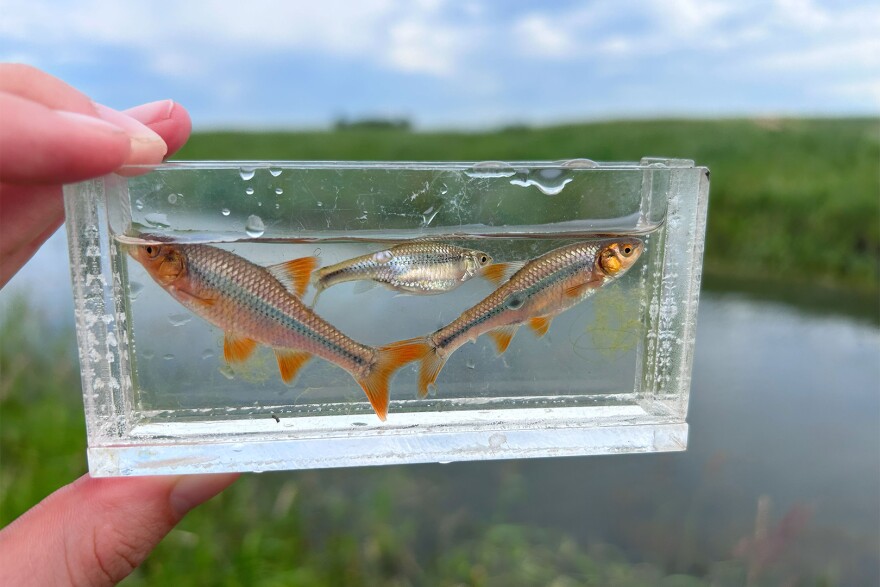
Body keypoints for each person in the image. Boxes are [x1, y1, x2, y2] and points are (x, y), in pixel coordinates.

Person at [0, 64, 239, 585]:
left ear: (175, 264)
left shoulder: (191, 275)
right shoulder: (184, 273)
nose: (145, 257)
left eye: (154, 253)